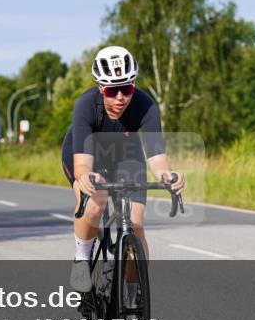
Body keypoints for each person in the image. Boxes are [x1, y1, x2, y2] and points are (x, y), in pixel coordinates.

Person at [63, 45, 184, 291]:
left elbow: (157, 156)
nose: (121, 97)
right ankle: (82, 260)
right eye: (112, 90)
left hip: (126, 154)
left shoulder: (145, 105)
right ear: (100, 87)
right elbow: (82, 165)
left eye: (127, 88)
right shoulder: (86, 105)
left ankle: (132, 292)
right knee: (96, 202)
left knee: (136, 226)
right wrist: (86, 176)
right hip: (86, 153)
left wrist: (168, 176)